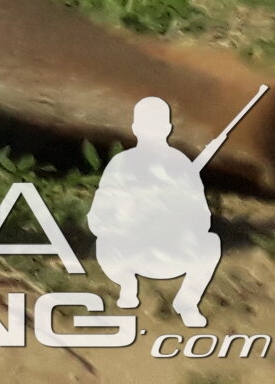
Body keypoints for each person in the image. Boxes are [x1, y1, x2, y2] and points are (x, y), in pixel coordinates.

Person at [90, 95, 226, 326]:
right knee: (104, 243)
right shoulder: (122, 164)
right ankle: (127, 285)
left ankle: (188, 302)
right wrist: (129, 212)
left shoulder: (181, 166)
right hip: (130, 252)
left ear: (167, 128)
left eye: (156, 125)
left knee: (211, 243)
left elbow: (202, 221)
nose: (151, 132)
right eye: (146, 126)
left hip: (171, 252)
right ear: (135, 128)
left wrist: (176, 209)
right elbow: (97, 218)